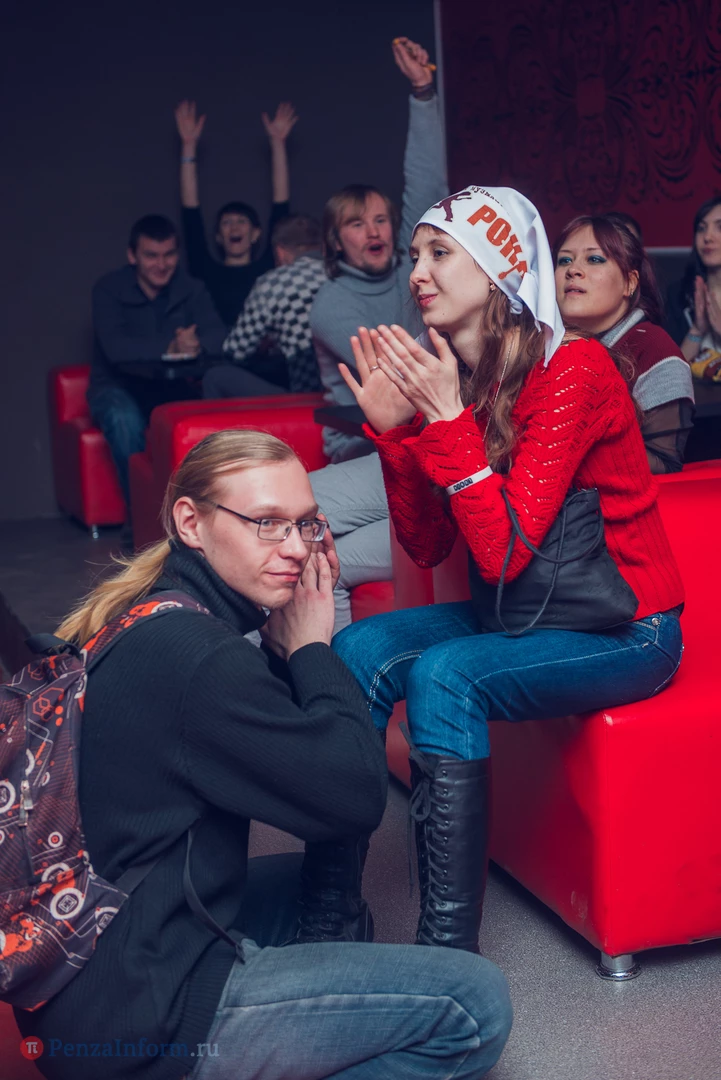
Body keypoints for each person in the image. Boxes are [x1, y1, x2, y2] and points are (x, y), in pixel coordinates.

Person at [15, 429, 512, 1080]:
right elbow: (354, 798)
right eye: (266, 523)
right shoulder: (199, 659)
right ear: (190, 522)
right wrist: (311, 649)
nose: (295, 548)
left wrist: (288, 654)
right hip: (142, 1022)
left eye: (305, 524)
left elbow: (283, 755)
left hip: (86, 977)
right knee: (473, 1001)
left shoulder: (154, 612)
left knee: (321, 895)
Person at [330, 186, 685, 956]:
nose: (415, 272)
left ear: (499, 271)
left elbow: (503, 551)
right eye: (414, 254)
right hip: (521, 612)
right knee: (356, 649)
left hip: (626, 630)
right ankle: (328, 913)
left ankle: (446, 957)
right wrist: (396, 436)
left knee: (445, 674)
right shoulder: (465, 379)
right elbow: (427, 546)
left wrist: (444, 422)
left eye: (438, 253)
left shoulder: (575, 369)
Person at [309, 35, 448, 631]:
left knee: (315, 549)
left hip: (422, 451)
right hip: (368, 450)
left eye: (383, 219)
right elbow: (395, 368)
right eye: (357, 223)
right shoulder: (330, 304)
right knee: (298, 542)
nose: (374, 231)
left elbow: (428, 190)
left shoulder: (419, 274)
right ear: (335, 240)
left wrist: (423, 94)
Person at [89, 214, 226, 508]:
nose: (161, 264)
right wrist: (170, 346)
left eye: (169, 254)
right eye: (151, 255)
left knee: (211, 415)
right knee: (123, 418)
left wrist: (196, 344)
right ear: (132, 256)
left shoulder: (191, 288)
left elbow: (219, 335)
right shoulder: (108, 289)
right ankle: (142, 521)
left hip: (172, 388)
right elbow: (116, 348)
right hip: (117, 388)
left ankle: (203, 516)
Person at [554, 213, 695, 473]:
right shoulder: (544, 347)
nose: (573, 270)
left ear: (629, 283)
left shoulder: (655, 352)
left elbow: (664, 463)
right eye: (564, 260)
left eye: (594, 259)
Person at [174, 99, 294, 328]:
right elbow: (190, 212)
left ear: (256, 233)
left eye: (241, 221)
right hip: (217, 350)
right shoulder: (204, 271)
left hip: (264, 350)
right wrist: (188, 145)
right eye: (227, 223)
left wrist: (278, 144)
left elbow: (281, 206)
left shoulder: (268, 268)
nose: (235, 227)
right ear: (219, 237)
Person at [203, 214, 326, 398]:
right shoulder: (343, 273)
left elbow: (235, 352)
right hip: (352, 396)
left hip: (307, 398)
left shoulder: (274, 282)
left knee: (215, 377)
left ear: (280, 252)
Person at [666, 196, 721, 377]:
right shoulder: (679, 294)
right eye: (701, 228)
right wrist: (697, 330)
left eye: (720, 227)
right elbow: (670, 375)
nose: (707, 237)